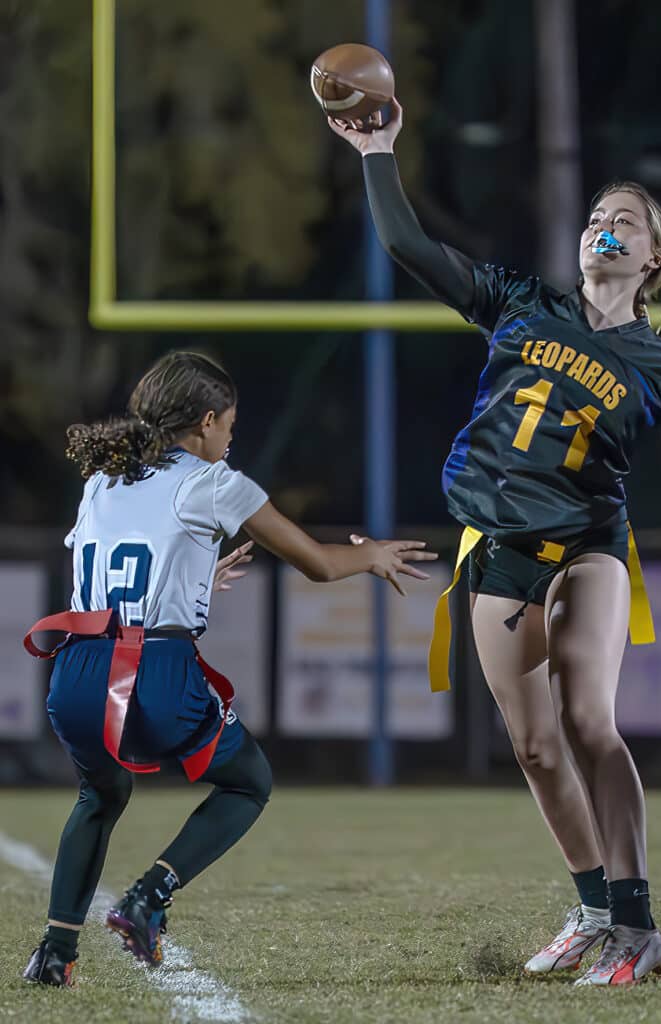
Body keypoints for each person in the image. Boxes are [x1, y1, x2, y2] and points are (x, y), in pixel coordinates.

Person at [328, 99, 661, 985]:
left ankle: (640, 928)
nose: (606, 229)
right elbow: (411, 248)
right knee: (532, 747)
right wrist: (378, 150)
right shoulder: (519, 302)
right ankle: (595, 910)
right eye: (598, 218)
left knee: (586, 719)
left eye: (627, 223)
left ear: (654, 259)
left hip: (588, 545)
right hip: (496, 546)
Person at [22, 350, 437, 987]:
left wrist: (193, 578)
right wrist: (373, 555)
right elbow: (319, 564)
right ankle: (149, 896)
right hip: (151, 673)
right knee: (248, 782)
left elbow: (116, 575)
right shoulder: (214, 481)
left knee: (100, 794)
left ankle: (54, 953)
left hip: (77, 672)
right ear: (208, 421)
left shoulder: (104, 479)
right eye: (230, 425)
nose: (231, 437)